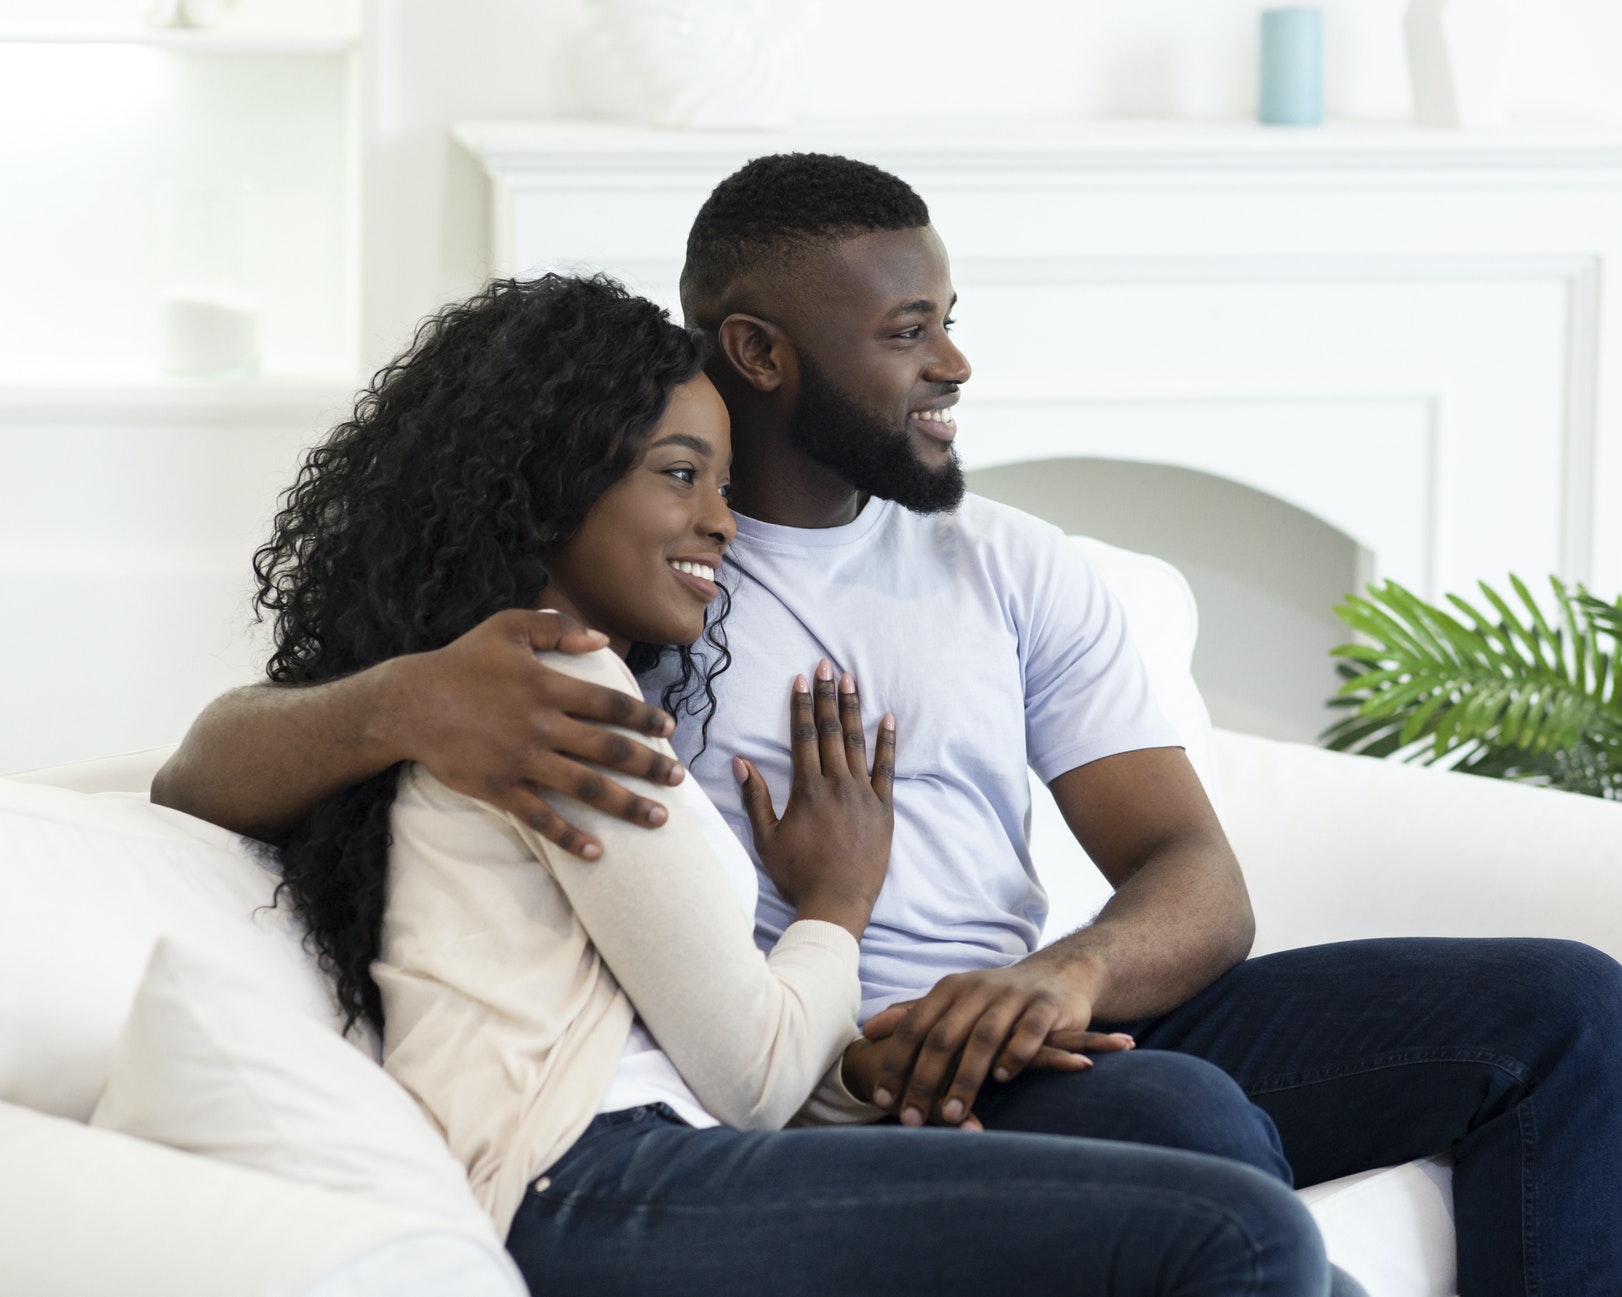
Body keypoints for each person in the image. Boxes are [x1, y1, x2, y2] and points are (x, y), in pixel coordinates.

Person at [156, 155, 1622, 1296]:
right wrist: (409, 692)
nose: (953, 365)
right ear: (761, 352)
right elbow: (215, 762)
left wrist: (1063, 975)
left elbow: (1195, 870)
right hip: (848, 1074)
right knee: (1189, 1123)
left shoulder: (1007, 565)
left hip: (1045, 1012)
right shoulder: (635, 580)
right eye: (909, 330)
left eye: (951, 322)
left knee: (1567, 1007)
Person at [244, 271, 1346, 1297]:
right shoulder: (555, 699)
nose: (721, 520)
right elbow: (754, 1078)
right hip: (582, 1187)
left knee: (1286, 1248)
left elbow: (750, 1059)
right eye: (680, 476)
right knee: (1241, 1235)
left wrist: (896, 1073)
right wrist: (835, 899)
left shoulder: (551, 680)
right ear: (543, 490)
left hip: (651, 1160)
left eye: (719, 482)